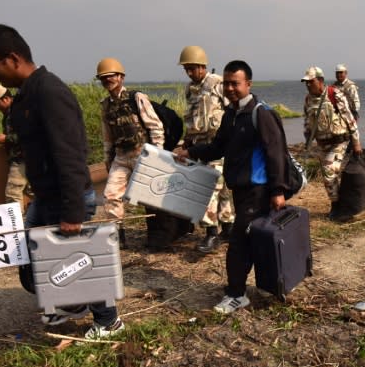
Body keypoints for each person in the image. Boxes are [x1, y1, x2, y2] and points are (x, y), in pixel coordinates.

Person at [0, 24, 124, 339]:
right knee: (32, 256)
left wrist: (71, 213)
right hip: (45, 195)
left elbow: (70, 155)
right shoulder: (26, 96)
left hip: (67, 197)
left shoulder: (49, 92)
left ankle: (108, 321)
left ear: (12, 59)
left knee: (78, 260)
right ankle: (69, 304)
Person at [176, 60, 289, 314]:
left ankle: (237, 294)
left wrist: (278, 191)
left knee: (238, 243)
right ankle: (268, 284)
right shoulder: (231, 115)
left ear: (248, 84)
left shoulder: (261, 114)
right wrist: (190, 152)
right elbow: (218, 148)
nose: (229, 88)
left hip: (257, 191)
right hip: (239, 190)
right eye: (226, 83)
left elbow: (277, 153)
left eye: (234, 83)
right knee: (251, 240)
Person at [96, 57, 174, 252]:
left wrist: (158, 155)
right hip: (121, 156)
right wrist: (108, 159)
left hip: (143, 153)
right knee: (111, 195)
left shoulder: (137, 98)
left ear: (121, 77)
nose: (108, 81)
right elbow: (107, 136)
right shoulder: (105, 105)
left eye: (111, 76)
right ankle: (117, 237)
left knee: (152, 199)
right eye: (103, 78)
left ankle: (159, 241)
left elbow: (155, 127)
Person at [178, 46, 234, 253]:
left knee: (216, 189)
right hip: (199, 147)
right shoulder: (189, 90)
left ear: (202, 66)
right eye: (187, 69)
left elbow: (232, 110)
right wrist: (187, 140)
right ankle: (221, 229)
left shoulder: (217, 84)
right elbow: (191, 119)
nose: (190, 73)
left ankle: (217, 232)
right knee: (216, 189)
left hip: (218, 145)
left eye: (193, 68)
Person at [301, 66, 362, 220]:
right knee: (328, 176)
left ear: (320, 81)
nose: (308, 85)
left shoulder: (334, 94)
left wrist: (356, 142)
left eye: (311, 81)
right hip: (322, 143)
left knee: (329, 173)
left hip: (339, 142)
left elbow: (349, 119)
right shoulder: (308, 99)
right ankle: (340, 205)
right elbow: (307, 121)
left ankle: (337, 206)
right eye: (306, 82)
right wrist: (307, 138)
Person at [0, 84, 30, 212]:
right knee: (35, 191)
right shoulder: (12, 111)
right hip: (28, 156)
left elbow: (29, 134)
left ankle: (17, 228)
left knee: (13, 192)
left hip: (23, 157)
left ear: (6, 99)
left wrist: (6, 139)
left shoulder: (19, 111)